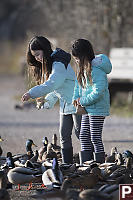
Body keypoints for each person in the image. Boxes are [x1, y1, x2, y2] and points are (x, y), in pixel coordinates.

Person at [21, 36, 81, 164]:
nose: (37, 58)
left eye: (38, 54)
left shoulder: (58, 63)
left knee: (81, 134)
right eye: (34, 56)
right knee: (64, 135)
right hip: (65, 105)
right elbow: (56, 90)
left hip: (77, 103)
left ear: (44, 49)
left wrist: (31, 93)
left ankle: (91, 162)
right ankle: (67, 165)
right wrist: (46, 103)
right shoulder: (51, 64)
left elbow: (53, 83)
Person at [71, 39, 112, 164]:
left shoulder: (97, 70)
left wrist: (83, 100)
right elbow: (78, 87)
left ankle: (98, 165)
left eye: (77, 59)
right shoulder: (82, 69)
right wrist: (75, 98)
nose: (77, 62)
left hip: (98, 109)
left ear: (84, 56)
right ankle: (87, 163)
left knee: (95, 137)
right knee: (83, 135)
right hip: (87, 108)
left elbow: (98, 92)